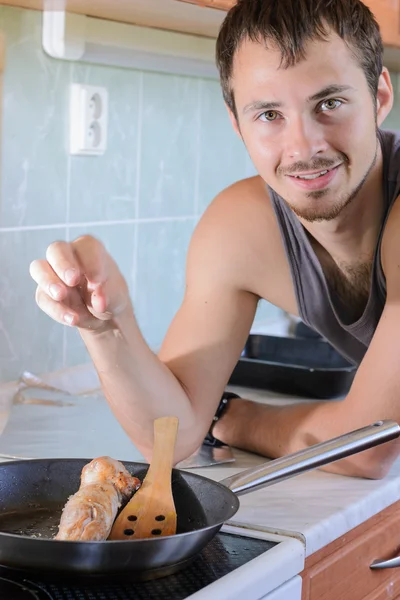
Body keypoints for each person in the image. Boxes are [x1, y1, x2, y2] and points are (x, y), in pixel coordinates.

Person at [30, 0, 400, 479]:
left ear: (380, 97)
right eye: (269, 114)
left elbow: (367, 446)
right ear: (237, 123)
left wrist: (237, 418)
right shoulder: (240, 227)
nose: (304, 147)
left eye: (329, 104)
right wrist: (106, 329)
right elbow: (172, 436)